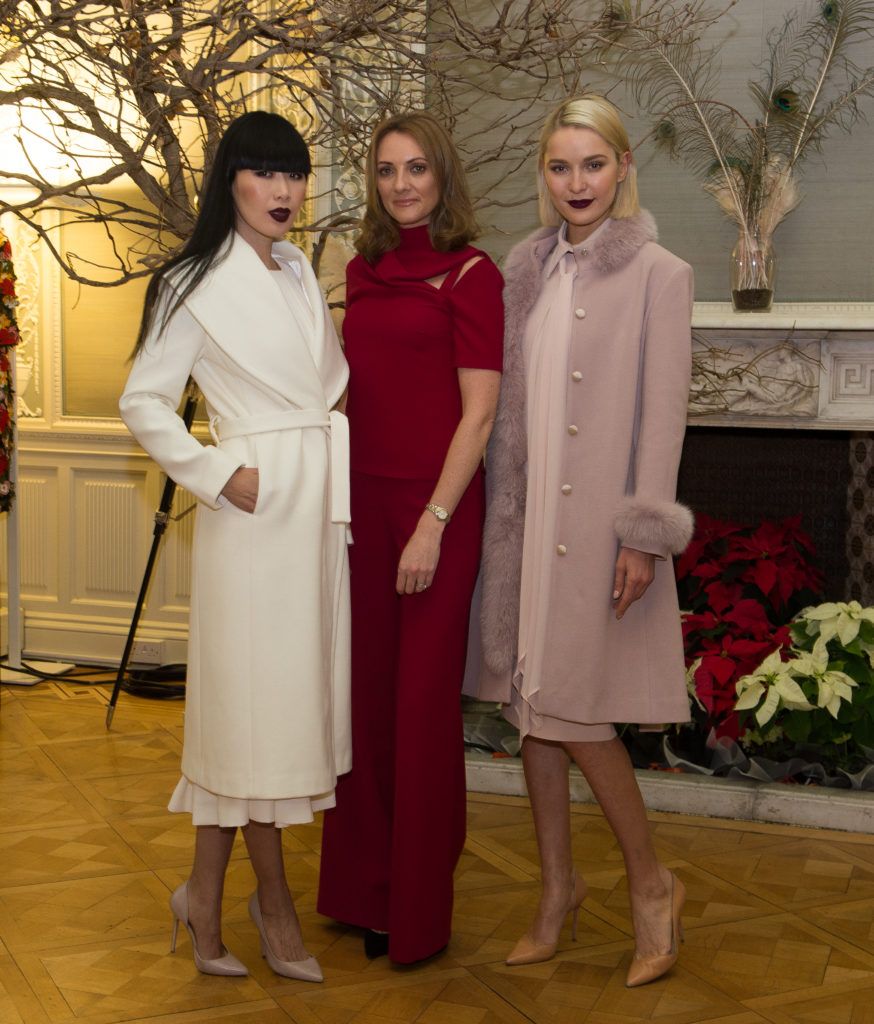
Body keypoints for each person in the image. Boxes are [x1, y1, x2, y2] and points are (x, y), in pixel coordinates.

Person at [119, 111, 351, 982]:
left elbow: (322, 386)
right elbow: (143, 401)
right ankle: (276, 906)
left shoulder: (297, 270)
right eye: (264, 173)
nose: (285, 191)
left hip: (314, 514)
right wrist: (216, 473)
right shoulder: (191, 282)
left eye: (294, 174)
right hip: (252, 517)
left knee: (266, 718)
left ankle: (204, 899)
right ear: (232, 183)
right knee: (257, 720)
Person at [477, 95, 694, 987]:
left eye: (593, 165)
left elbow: (664, 416)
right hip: (528, 531)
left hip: (601, 530)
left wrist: (642, 533)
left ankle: (652, 885)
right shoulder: (522, 269)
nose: (577, 183)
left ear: (623, 164)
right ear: (545, 175)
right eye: (561, 167)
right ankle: (557, 890)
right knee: (533, 710)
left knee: (578, 714)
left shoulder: (660, 273)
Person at [317, 111, 504, 964]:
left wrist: (430, 524)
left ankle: (417, 909)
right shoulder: (363, 269)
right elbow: (358, 395)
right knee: (368, 702)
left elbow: (481, 414)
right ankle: (362, 890)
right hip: (362, 508)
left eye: (417, 168)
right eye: (388, 170)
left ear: (444, 177)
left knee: (422, 713)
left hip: (436, 514)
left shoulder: (473, 275)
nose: (401, 184)